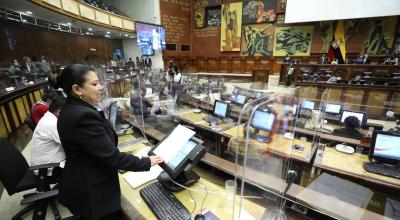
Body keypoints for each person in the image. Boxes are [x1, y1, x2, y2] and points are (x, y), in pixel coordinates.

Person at [56, 64, 163, 220]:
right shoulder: (83, 115)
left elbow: (94, 149)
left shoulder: (71, 108)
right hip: (92, 190)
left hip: (82, 179)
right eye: (94, 84)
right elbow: (111, 157)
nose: (100, 88)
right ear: (77, 89)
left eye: (99, 82)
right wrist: (146, 162)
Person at [31, 95, 66, 176]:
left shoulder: (50, 116)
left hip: (50, 161)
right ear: (59, 112)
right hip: (47, 168)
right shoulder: (51, 124)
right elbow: (69, 144)